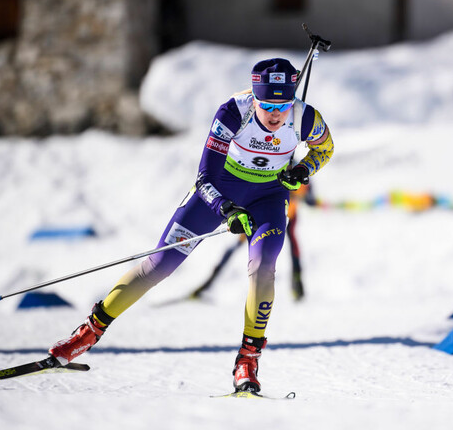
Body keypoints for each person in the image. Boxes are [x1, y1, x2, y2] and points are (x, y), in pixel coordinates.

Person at [47, 58, 334, 393]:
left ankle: (248, 359)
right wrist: (226, 211)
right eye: (267, 105)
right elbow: (205, 178)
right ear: (254, 98)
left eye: (282, 106)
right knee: (160, 264)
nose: (275, 115)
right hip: (219, 193)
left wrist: (303, 170)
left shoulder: (305, 118)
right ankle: (87, 333)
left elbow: (324, 149)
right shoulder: (232, 113)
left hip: (269, 197)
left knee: (263, 266)